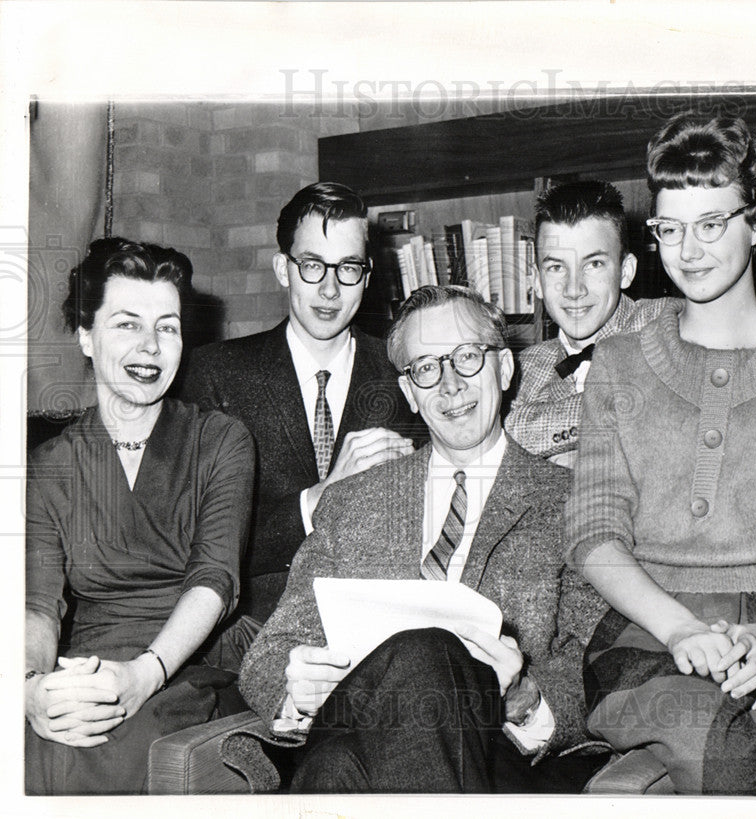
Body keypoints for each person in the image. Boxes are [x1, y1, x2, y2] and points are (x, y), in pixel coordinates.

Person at [566, 114, 756, 796]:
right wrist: (680, 629)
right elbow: (592, 530)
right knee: (715, 743)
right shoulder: (617, 365)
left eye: (710, 223)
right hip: (651, 629)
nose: (687, 250)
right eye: (669, 228)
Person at [239, 285, 608, 793]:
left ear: (504, 369)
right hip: (360, 723)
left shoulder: (574, 506)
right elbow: (269, 651)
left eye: (467, 357)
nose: (451, 385)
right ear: (410, 393)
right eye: (428, 368)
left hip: (499, 754)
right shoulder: (354, 502)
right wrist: (294, 686)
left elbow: (598, 665)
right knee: (418, 659)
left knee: (337, 767)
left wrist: (526, 697)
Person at [25, 238, 255, 794]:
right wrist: (30, 687)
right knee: (38, 742)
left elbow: (215, 581)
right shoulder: (50, 463)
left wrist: (141, 676)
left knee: (112, 750)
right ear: (86, 334)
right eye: (127, 324)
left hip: (189, 661)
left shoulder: (220, 440)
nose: (151, 346)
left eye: (168, 327)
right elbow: (36, 607)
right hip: (89, 661)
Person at [180, 182, 423, 627]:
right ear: (282, 268)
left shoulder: (407, 372)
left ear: (367, 276)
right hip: (253, 635)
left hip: (379, 631)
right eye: (312, 265)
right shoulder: (217, 373)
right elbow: (196, 545)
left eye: (348, 267)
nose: (330, 289)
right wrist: (318, 500)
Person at [505, 180, 667, 466]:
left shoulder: (667, 323)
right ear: (536, 282)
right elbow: (501, 438)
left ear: (626, 271)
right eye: (556, 267)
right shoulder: (521, 369)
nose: (573, 289)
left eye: (593, 264)